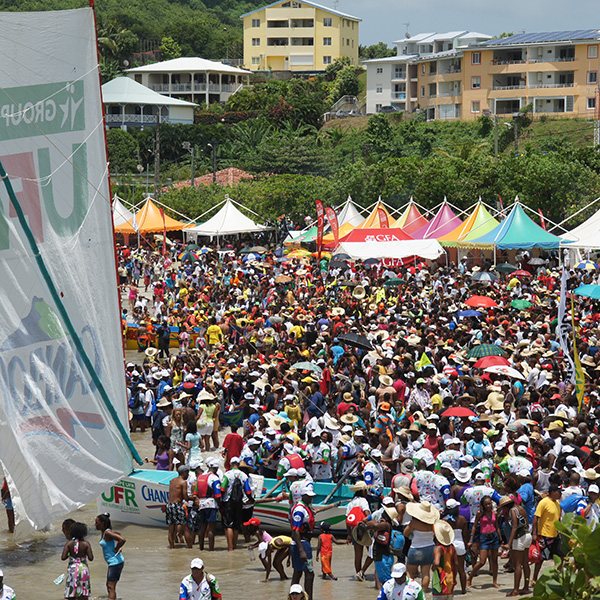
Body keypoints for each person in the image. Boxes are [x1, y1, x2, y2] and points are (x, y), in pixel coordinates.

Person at [404, 500, 440, 593]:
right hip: (429, 548)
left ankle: (411, 591)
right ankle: (423, 593)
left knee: (410, 572)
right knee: (426, 573)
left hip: (415, 547)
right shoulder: (433, 524)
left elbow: (405, 533)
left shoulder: (414, 523)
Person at [499, 496, 532, 597]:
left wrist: (509, 543)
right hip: (527, 535)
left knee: (517, 565)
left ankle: (516, 590)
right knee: (525, 563)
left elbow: (514, 526)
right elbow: (526, 523)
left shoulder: (512, 511)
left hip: (519, 537)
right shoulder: (521, 508)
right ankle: (526, 587)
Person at [467, 496, 501, 589]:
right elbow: (474, 526)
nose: (488, 506)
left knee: (494, 561)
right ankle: (470, 578)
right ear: (483, 505)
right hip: (484, 537)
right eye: (486, 504)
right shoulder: (479, 514)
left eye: (489, 503)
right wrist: (471, 539)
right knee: (482, 561)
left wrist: (500, 539)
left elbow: (497, 526)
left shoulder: (494, 513)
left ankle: (495, 581)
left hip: (494, 536)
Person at [290, 483, 316, 600]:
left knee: (299, 572)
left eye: (311, 496)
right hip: (301, 544)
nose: (311, 498)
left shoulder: (306, 507)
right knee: (309, 573)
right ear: (302, 496)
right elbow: (295, 531)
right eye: (308, 496)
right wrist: (301, 551)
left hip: (305, 543)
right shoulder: (300, 510)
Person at [532, 484, 563, 584]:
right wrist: (534, 533)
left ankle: (558, 578)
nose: (560, 494)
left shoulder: (558, 503)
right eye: (559, 492)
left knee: (560, 557)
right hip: (545, 535)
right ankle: (534, 579)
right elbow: (536, 517)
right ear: (553, 492)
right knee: (540, 559)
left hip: (555, 535)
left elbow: (558, 518)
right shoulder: (543, 502)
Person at [221, 456, 253, 551]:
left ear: (230, 464)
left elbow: (222, 489)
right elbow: (248, 491)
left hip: (228, 502)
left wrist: (220, 500)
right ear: (238, 465)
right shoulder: (244, 475)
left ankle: (230, 548)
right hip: (239, 502)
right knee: (236, 525)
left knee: (228, 525)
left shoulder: (227, 474)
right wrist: (251, 500)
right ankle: (234, 546)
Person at [95, 513, 125, 600]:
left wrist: (117, 548)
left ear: (103, 523)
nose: (95, 525)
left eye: (97, 522)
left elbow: (122, 539)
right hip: (115, 562)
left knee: (110, 587)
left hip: (115, 562)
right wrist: (116, 545)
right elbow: (118, 535)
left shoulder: (107, 533)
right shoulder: (106, 532)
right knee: (109, 586)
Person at [61, 521, 93, 599]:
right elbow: (91, 558)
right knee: (83, 591)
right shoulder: (86, 544)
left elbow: (63, 557)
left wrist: (71, 554)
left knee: (71, 590)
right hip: (83, 569)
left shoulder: (69, 543)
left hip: (73, 569)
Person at [167, 465, 193, 549]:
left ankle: (172, 547)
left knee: (171, 528)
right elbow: (185, 497)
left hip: (169, 505)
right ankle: (190, 548)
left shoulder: (172, 481)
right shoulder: (183, 482)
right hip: (177, 505)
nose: (188, 475)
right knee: (185, 527)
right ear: (184, 472)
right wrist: (193, 497)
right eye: (187, 473)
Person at [432, 520, 457, 600]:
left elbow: (436, 563)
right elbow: (456, 564)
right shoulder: (452, 548)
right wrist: (454, 578)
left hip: (441, 579)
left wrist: (433, 568)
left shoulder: (438, 548)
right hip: (450, 577)